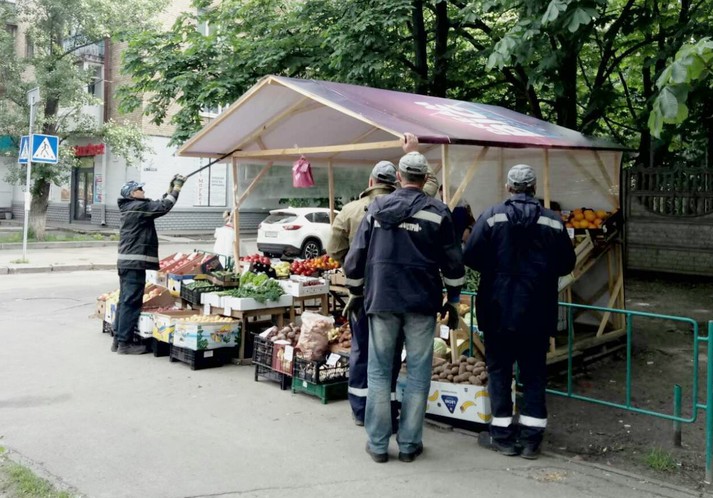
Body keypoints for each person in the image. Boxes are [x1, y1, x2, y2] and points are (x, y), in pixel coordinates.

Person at [344, 151, 465, 463]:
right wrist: (453, 300)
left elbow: (355, 258)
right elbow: (453, 262)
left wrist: (355, 293)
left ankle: (378, 445)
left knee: (379, 372)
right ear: (424, 179)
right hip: (421, 303)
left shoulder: (376, 208)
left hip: (382, 300)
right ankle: (410, 445)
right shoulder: (437, 211)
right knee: (418, 374)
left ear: (399, 177)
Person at [462, 164, 575, 459]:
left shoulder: (492, 216)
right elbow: (567, 264)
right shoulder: (553, 221)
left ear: (508, 188)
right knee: (534, 374)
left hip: (497, 310)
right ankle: (531, 442)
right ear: (534, 188)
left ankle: (502, 437)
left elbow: (470, 256)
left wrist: (495, 268)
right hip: (537, 310)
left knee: (499, 372)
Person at [327, 160, 402, 428]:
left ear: (371, 182)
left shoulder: (350, 210)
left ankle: (360, 409)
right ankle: (388, 409)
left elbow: (334, 249)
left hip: (359, 290)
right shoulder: (405, 208)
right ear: (395, 182)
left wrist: (351, 264)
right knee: (391, 352)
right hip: (394, 290)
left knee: (362, 349)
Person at [112, 175, 186, 354]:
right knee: (131, 302)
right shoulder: (138, 207)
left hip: (127, 262)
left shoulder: (132, 207)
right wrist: (177, 189)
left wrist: (169, 190)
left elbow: (156, 205)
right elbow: (163, 206)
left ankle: (118, 340)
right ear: (132, 194)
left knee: (124, 301)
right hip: (134, 263)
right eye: (140, 189)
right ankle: (124, 344)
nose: (143, 191)